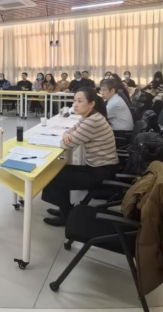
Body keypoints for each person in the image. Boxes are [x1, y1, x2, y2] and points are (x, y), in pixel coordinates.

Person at [42, 88, 119, 226]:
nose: (75, 105)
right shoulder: (89, 117)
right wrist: (67, 134)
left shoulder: (92, 121)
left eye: (79, 101)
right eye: (74, 101)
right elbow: (71, 130)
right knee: (56, 170)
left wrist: (66, 137)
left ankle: (66, 215)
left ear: (91, 104)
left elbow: (66, 145)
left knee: (54, 175)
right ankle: (64, 207)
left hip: (101, 172)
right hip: (98, 168)